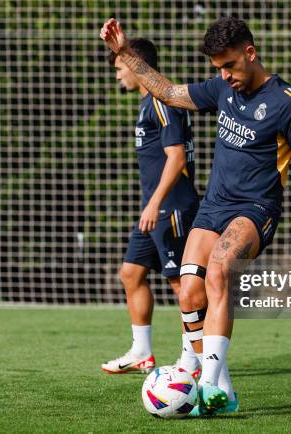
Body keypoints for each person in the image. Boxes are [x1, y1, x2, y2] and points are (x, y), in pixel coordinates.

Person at [100, 16, 291, 415]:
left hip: (256, 209)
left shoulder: (287, 102)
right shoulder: (221, 90)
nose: (224, 75)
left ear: (251, 53)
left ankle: (206, 383)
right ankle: (223, 391)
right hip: (213, 207)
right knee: (190, 293)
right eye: (218, 69)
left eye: (229, 65)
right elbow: (169, 91)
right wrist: (123, 52)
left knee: (219, 270)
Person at [100, 38, 201, 377]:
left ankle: (194, 358)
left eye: (119, 68)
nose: (117, 77)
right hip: (153, 209)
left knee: (180, 284)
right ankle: (141, 352)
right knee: (131, 273)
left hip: (170, 208)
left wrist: (155, 203)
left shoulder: (162, 102)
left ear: (135, 64)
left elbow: (177, 157)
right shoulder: (148, 104)